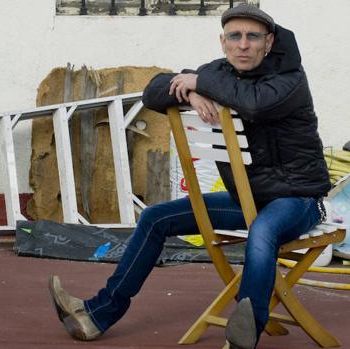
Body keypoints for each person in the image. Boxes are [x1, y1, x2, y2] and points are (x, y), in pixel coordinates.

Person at [48, 4, 331, 349]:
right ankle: (99, 314)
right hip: (247, 199)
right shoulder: (220, 74)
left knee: (264, 230)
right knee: (155, 218)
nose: (243, 44)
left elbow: (255, 103)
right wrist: (192, 90)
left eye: (253, 37)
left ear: (269, 42)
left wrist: (199, 81)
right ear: (223, 41)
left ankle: (246, 334)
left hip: (299, 201)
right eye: (234, 36)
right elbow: (155, 91)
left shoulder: (289, 79)